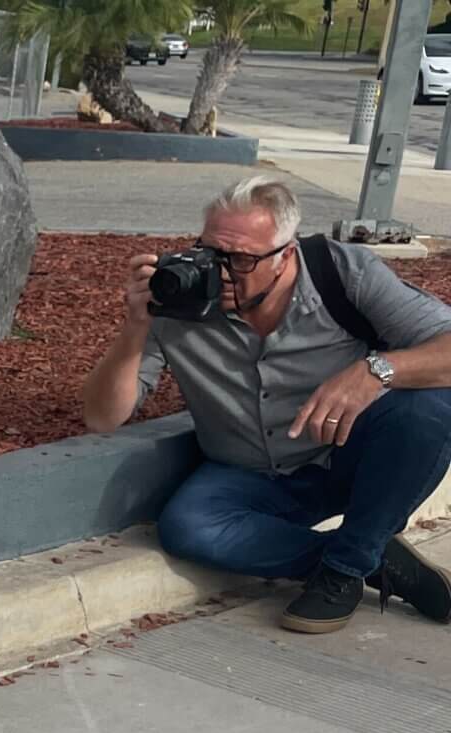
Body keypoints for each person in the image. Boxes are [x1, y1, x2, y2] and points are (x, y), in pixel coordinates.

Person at [83, 174, 451, 633]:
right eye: (211, 251)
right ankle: (362, 556)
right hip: (248, 472)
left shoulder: (343, 273)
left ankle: (344, 570)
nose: (220, 271)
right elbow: (102, 416)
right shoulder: (178, 298)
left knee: (432, 408)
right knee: (190, 528)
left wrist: (374, 371)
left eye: (240, 259)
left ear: (285, 256)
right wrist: (135, 327)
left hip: (347, 460)